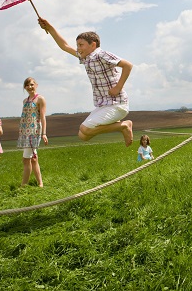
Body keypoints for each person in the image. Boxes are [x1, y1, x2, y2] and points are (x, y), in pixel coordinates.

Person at [38, 18, 134, 147]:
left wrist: (118, 87)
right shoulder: (86, 58)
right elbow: (64, 46)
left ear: (93, 45)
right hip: (103, 105)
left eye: (81, 45)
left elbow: (128, 65)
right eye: (77, 45)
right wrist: (49, 28)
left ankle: (124, 126)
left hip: (117, 104)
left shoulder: (102, 55)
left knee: (85, 129)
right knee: (82, 135)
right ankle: (119, 125)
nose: (78, 48)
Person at [17, 77, 48, 187]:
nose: (30, 87)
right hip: (25, 131)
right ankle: (40, 183)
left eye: (31, 84)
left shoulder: (40, 99)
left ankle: (23, 185)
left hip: (34, 131)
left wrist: (44, 133)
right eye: (27, 85)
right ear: (25, 87)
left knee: (26, 159)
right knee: (34, 159)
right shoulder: (25, 101)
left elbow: (43, 117)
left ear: (36, 85)